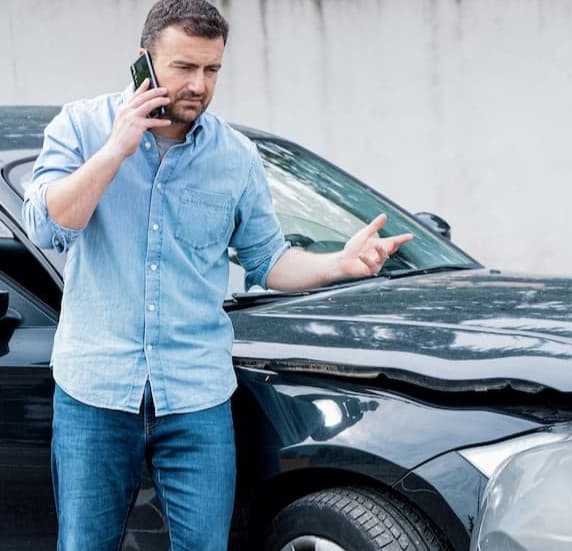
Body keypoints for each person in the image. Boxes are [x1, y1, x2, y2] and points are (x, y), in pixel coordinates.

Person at [21, 1, 412, 549]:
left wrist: (339, 264)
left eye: (212, 70)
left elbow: (268, 261)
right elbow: (48, 225)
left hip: (196, 396)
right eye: (184, 68)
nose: (199, 85)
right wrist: (117, 148)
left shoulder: (236, 157)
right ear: (144, 61)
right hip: (96, 392)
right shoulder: (82, 127)